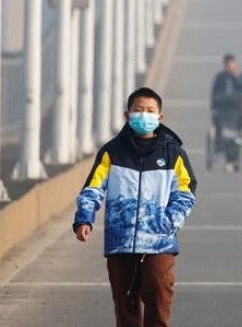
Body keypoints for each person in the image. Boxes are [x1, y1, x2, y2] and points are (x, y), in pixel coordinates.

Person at [74, 87, 197, 327]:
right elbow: (93, 188)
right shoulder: (112, 152)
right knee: (125, 307)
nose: (144, 115)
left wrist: (169, 222)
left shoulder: (173, 154)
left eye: (150, 111)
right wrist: (84, 219)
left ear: (160, 117)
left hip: (159, 240)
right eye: (138, 110)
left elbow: (186, 191)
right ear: (127, 115)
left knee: (158, 292)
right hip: (121, 241)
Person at [210, 52, 242, 142]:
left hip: (236, 106)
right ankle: (219, 137)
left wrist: (235, 76)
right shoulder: (220, 77)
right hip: (223, 105)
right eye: (227, 64)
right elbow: (214, 92)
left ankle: (239, 135)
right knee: (216, 119)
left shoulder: (240, 76)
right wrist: (213, 107)